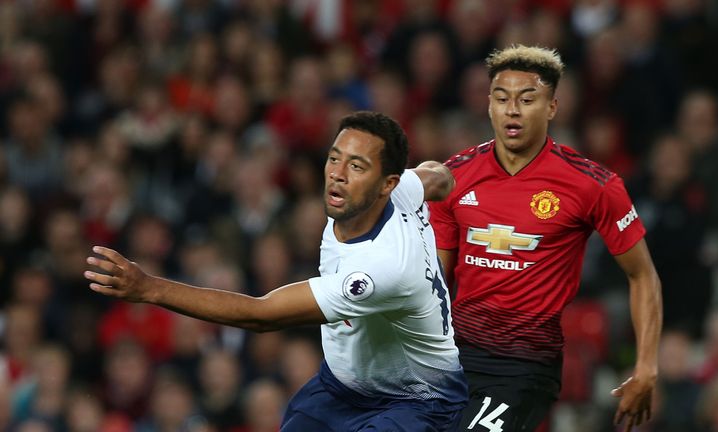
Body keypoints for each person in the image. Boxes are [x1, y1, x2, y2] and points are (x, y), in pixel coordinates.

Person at [84, 111, 468, 431]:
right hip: (341, 386)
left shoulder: (381, 269)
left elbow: (260, 315)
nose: (337, 173)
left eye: (357, 166)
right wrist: (453, 178)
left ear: (386, 183)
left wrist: (148, 288)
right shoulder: (400, 190)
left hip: (416, 399)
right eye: (335, 158)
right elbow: (436, 175)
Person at [428, 45, 662, 432]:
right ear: (489, 105)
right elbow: (433, 280)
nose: (513, 110)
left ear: (552, 107)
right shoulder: (454, 178)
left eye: (527, 99)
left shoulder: (592, 184)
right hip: (452, 359)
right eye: (502, 99)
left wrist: (647, 367)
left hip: (524, 368)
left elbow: (643, 275)